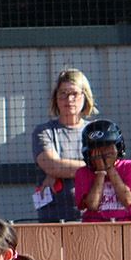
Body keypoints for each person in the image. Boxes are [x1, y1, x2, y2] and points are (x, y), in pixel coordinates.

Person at [31, 69, 97, 223]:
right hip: (53, 218)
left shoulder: (95, 131)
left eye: (74, 93)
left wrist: (62, 170)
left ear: (85, 96)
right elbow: (52, 165)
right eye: (63, 93)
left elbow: (107, 167)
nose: (69, 99)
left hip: (90, 217)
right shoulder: (44, 131)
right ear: (56, 98)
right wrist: (92, 167)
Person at [73, 120, 131, 223]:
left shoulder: (130, 167)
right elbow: (92, 204)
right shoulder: (82, 173)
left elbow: (127, 200)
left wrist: (110, 168)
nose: (103, 153)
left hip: (125, 230)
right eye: (97, 149)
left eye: (107, 147)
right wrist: (101, 172)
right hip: (94, 231)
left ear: (117, 148)